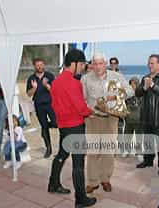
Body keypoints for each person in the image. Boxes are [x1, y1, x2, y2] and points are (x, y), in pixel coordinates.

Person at [48, 49, 97, 207]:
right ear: (74, 63)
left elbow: (54, 105)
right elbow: (81, 107)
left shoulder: (55, 81)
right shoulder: (74, 83)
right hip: (75, 126)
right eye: (82, 64)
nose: (83, 67)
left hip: (63, 125)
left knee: (62, 154)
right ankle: (80, 199)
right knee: (78, 163)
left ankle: (53, 184)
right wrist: (91, 112)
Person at [81, 52, 133, 193]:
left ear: (105, 64)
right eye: (95, 63)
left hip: (111, 119)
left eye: (100, 63)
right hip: (93, 119)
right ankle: (92, 181)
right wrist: (87, 113)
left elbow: (130, 91)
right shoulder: (85, 79)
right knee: (93, 151)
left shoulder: (116, 77)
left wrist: (115, 95)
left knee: (108, 151)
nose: (98, 67)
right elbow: (83, 99)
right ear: (92, 64)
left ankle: (105, 179)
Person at [135, 54, 159, 175]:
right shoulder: (145, 77)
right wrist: (145, 87)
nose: (149, 65)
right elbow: (138, 93)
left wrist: (152, 85)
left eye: (152, 63)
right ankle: (148, 160)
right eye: (148, 63)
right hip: (146, 114)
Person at [26, 58, 56, 158]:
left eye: (41, 64)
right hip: (38, 105)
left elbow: (55, 90)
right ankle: (49, 148)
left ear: (44, 65)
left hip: (50, 104)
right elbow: (28, 94)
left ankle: (45, 127)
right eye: (37, 65)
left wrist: (46, 85)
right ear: (34, 66)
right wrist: (34, 88)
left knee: (56, 123)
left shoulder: (49, 76)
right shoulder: (31, 78)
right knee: (44, 127)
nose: (40, 66)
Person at [122, 77, 143, 160]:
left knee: (139, 137)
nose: (133, 86)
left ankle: (139, 152)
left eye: (135, 84)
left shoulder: (141, 94)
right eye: (131, 84)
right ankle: (127, 150)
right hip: (129, 119)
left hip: (138, 119)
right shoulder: (127, 95)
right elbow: (123, 104)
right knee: (127, 135)